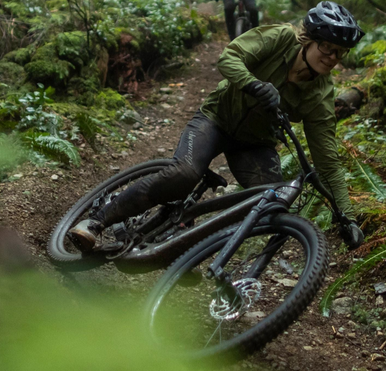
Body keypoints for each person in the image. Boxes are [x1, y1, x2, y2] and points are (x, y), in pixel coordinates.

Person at [70, 1, 367, 251]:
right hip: (215, 119)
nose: (331, 57)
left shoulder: (321, 94)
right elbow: (230, 57)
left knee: (272, 203)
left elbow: (327, 160)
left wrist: (348, 217)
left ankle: (189, 251)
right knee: (185, 174)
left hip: (255, 144)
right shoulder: (280, 38)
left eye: (339, 52)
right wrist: (253, 84)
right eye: (326, 47)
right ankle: (98, 220)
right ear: (309, 39)